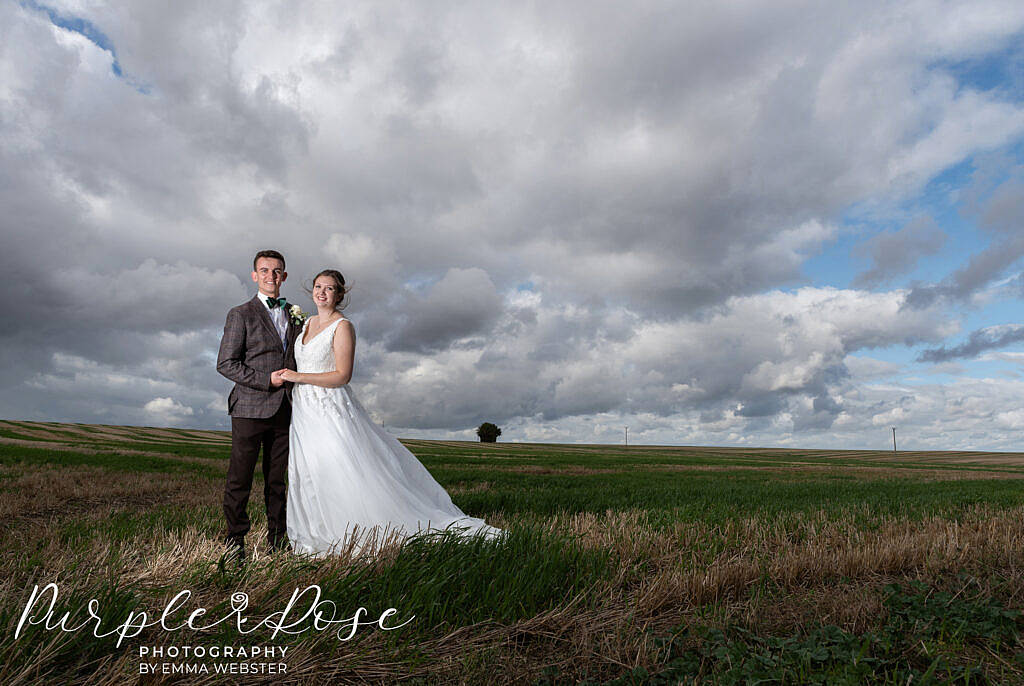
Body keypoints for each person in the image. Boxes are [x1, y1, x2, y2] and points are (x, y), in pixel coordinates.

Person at [276, 269, 502, 556]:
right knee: (311, 469)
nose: (321, 292)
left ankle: (352, 529)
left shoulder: (343, 326)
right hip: (304, 410)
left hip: (330, 407)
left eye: (329, 288)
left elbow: (342, 375)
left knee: (341, 466)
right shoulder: (305, 323)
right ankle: (319, 530)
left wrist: (299, 377)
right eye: (318, 287)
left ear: (339, 294)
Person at [216, 250, 301, 564]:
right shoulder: (240, 313)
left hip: (285, 409)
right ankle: (235, 541)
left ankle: (277, 541)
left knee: (277, 480)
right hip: (249, 408)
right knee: (240, 478)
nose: (271, 276)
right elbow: (225, 364)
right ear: (254, 275)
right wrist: (267, 380)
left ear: (284, 276)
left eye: (277, 271)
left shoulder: (295, 315)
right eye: (264, 270)